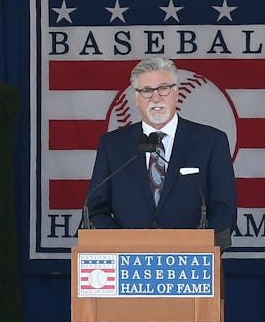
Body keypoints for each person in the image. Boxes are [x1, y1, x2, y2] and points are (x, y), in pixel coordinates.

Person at [84, 56, 237, 249]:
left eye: (164, 89)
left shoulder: (211, 142)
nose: (156, 98)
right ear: (137, 98)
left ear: (176, 92)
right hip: (127, 265)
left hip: (191, 266)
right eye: (147, 91)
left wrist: (194, 251)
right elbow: (95, 210)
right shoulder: (112, 145)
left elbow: (225, 212)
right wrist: (124, 248)